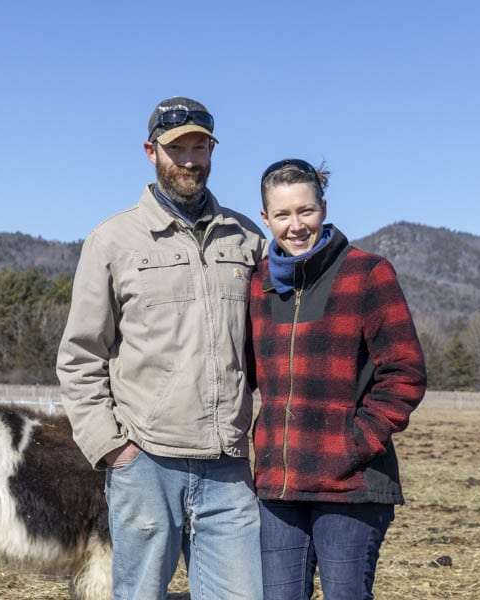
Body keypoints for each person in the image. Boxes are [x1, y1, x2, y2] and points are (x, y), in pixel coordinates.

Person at [57, 97, 265, 600]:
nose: (190, 159)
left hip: (228, 466)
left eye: (201, 146)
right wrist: (112, 447)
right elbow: (81, 354)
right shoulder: (113, 241)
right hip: (146, 461)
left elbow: (267, 348)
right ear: (151, 151)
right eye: (177, 148)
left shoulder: (246, 239)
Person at [248, 158, 427, 600]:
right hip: (280, 483)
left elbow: (404, 371)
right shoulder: (258, 284)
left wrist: (355, 441)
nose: (296, 226)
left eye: (305, 211)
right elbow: (250, 373)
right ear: (265, 218)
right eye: (283, 215)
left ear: (323, 208)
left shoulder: (367, 273)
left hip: (351, 483)